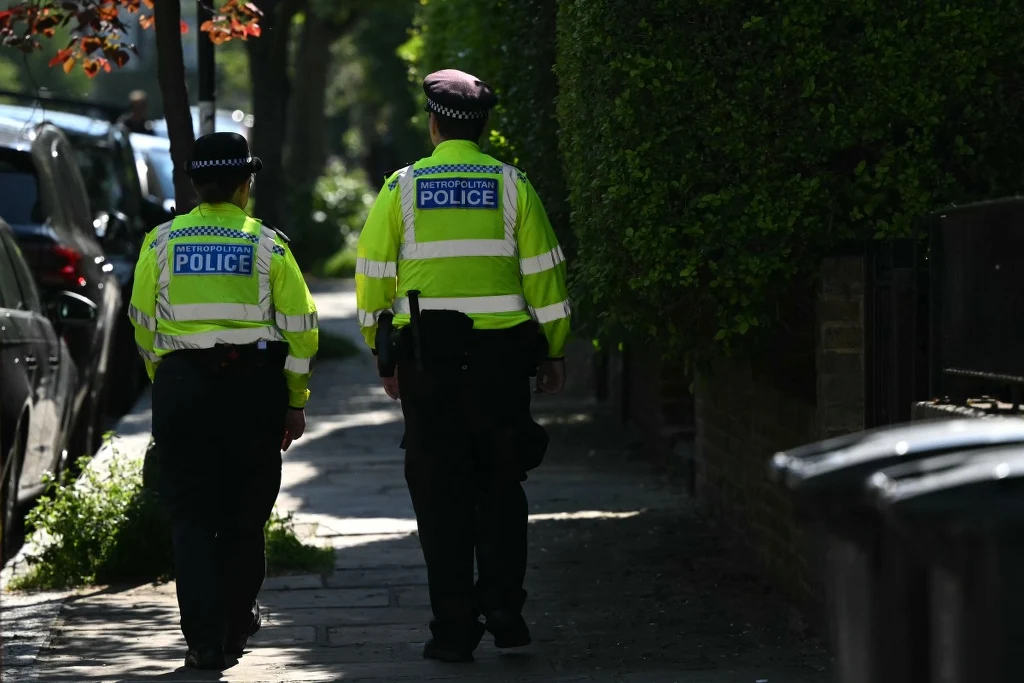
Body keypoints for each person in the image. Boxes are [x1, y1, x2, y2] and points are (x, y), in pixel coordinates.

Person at [355, 68, 572, 663]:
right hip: (503, 364)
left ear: (432, 124)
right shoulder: (512, 187)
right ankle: (504, 609)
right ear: (484, 127)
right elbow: (546, 280)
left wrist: (384, 354)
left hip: (432, 362)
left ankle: (453, 629)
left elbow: (374, 277)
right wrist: (553, 350)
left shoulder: (402, 189)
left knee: (440, 494)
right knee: (501, 483)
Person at [128, 132, 319, 670]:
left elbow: (143, 325)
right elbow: (302, 330)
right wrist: (294, 399)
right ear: (245, 186)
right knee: (244, 511)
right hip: (252, 393)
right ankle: (236, 624)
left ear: (192, 185)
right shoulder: (269, 245)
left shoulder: (160, 243)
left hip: (183, 390)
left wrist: (168, 376)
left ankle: (204, 641)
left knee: (190, 515)